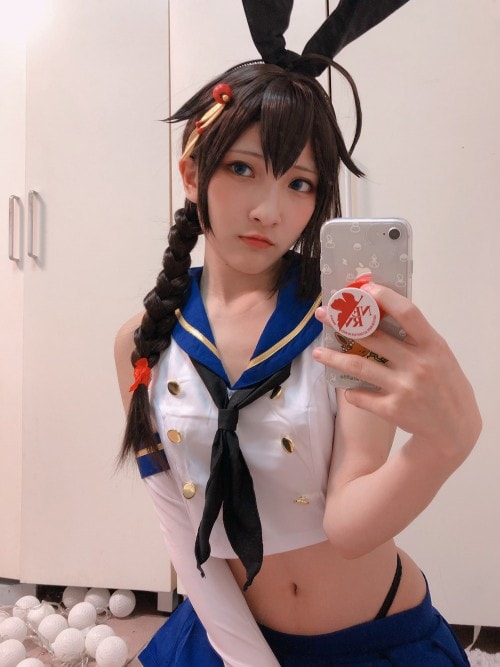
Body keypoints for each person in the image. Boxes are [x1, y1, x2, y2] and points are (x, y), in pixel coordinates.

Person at [114, 2, 482, 665]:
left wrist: (442, 446)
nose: (269, 209)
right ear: (193, 172)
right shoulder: (142, 342)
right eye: (242, 168)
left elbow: (349, 525)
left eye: (300, 182)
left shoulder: (348, 320)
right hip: (231, 637)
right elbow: (180, 527)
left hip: (376, 641)